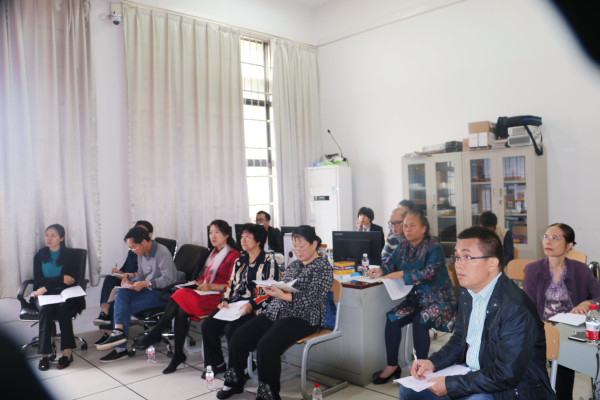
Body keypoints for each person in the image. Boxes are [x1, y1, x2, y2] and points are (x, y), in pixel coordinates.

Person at [399, 226, 556, 400]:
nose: (458, 264)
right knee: (408, 390)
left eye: (467, 257)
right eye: (457, 257)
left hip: (511, 388)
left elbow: (506, 374)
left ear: (492, 263)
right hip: (475, 374)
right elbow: (459, 341)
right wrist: (432, 363)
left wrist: (451, 385)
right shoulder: (467, 293)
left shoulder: (515, 308)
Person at [216, 225, 333, 400]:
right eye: (295, 246)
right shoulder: (294, 265)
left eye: (301, 246)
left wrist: (281, 295)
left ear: (314, 244)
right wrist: (272, 289)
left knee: (267, 345)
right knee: (239, 336)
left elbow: (312, 299)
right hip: (277, 311)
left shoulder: (323, 268)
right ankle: (234, 382)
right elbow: (283, 288)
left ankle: (268, 394)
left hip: (304, 317)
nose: (298, 250)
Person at [133, 220, 241, 373]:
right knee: (180, 309)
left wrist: (212, 286)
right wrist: (198, 283)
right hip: (206, 294)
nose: (213, 236)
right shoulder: (213, 253)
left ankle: (157, 334)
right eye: (210, 233)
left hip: (221, 298)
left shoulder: (233, 256)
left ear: (227, 234)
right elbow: (204, 278)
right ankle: (177, 354)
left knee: (179, 295)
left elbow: (234, 285)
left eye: (217, 232)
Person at [369, 210, 457, 384]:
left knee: (420, 320)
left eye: (412, 225)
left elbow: (429, 273)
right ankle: (392, 366)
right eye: (405, 226)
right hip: (416, 300)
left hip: (439, 300)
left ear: (424, 228)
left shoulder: (433, 248)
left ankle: (421, 369)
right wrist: (381, 270)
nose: (407, 229)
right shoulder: (403, 246)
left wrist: (403, 274)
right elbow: (390, 264)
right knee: (392, 318)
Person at [523, 223, 600, 400]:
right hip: (541, 329)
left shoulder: (580, 269)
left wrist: (587, 303)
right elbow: (527, 307)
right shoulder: (533, 269)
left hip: (570, 332)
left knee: (566, 363)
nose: (548, 241)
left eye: (555, 238)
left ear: (569, 245)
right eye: (546, 237)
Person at [200, 223, 278, 378]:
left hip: (256, 308)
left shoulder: (269, 262)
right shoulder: (240, 262)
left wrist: (251, 304)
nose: (243, 240)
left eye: (247, 237)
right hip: (236, 304)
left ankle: (241, 368)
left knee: (231, 329)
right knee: (207, 325)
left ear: (258, 241)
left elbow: (269, 292)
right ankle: (217, 364)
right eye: (242, 236)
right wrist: (225, 299)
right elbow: (231, 285)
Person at [96, 226, 184, 362]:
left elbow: (169, 280)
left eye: (133, 247)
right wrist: (131, 282)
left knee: (122, 306)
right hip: (147, 289)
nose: (132, 250)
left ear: (143, 242)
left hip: (163, 293)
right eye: (130, 248)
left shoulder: (162, 253)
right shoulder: (141, 253)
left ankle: (120, 348)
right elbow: (141, 275)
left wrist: (145, 283)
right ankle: (118, 332)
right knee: (121, 291)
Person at [32, 224, 85, 371]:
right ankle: (44, 355)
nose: (48, 238)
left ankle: (67, 353)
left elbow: (71, 280)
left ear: (61, 238)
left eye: (53, 235)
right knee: (45, 310)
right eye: (46, 235)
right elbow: (38, 280)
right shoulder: (39, 255)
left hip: (65, 294)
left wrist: (49, 284)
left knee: (63, 308)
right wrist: (60, 279)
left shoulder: (71, 256)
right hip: (45, 295)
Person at [93, 220, 153, 345]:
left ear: (150, 235)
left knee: (117, 294)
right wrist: (119, 272)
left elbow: (148, 274)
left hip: (140, 283)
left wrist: (129, 276)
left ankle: (110, 332)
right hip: (129, 279)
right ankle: (104, 314)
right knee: (110, 279)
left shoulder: (151, 251)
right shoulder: (132, 250)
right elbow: (126, 268)